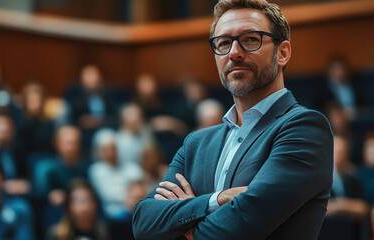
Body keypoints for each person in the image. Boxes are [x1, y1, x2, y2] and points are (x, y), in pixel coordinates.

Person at [132, 0, 333, 239]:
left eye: (250, 39)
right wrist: (216, 200)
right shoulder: (196, 143)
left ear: (283, 53)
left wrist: (184, 226)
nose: (234, 52)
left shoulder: (304, 128)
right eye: (224, 43)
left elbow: (238, 230)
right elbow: (144, 222)